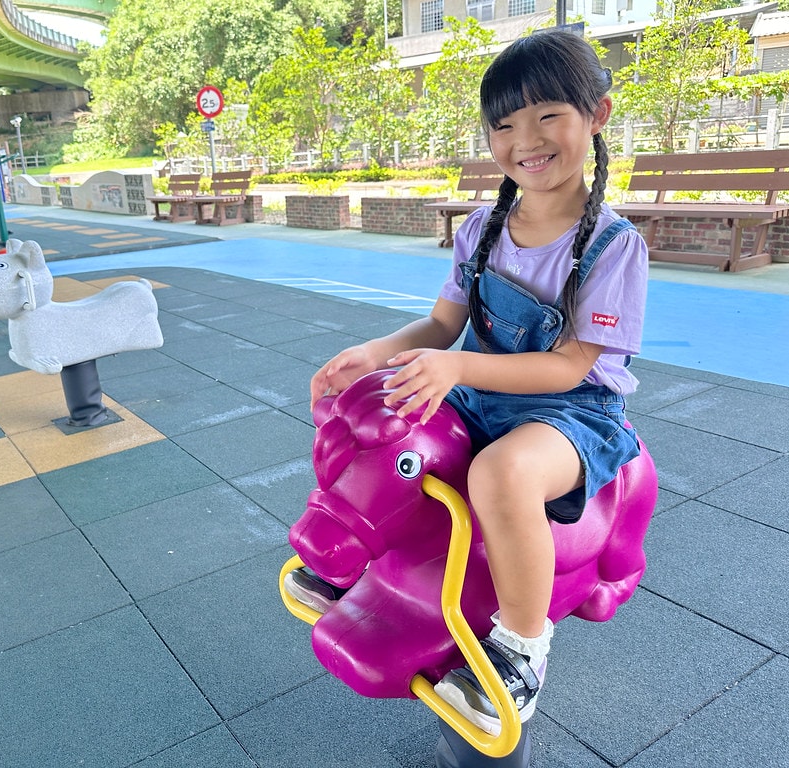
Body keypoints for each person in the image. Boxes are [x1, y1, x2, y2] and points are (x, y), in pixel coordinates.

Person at [287, 29, 649, 736]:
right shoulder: (483, 227)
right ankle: (354, 547)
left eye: (548, 115)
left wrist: (455, 367)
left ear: (596, 116)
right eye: (505, 124)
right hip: (483, 392)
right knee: (379, 416)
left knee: (501, 475)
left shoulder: (611, 244)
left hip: (571, 412)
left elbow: (572, 364)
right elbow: (440, 326)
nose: (527, 139)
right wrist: (375, 354)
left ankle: (521, 650)